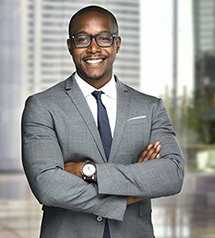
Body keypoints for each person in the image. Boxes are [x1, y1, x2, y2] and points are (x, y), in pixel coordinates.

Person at [21, 5, 184, 238]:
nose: (94, 48)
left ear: (117, 44)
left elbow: (172, 175)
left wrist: (90, 171)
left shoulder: (150, 107)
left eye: (104, 38)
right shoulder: (42, 106)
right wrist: (130, 195)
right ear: (70, 46)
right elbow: (47, 185)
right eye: (83, 39)